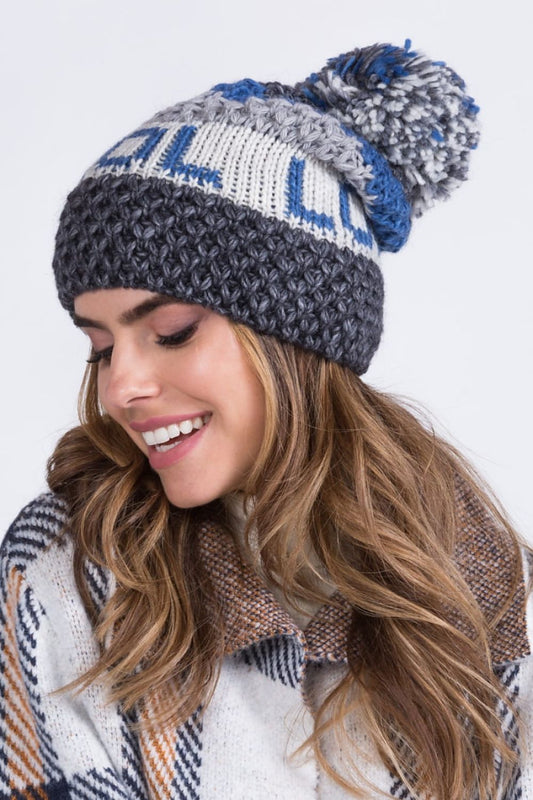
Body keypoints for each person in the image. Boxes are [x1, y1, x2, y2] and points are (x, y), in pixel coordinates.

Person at [1, 40, 531, 800]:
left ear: (298, 337)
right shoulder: (69, 569)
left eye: (172, 331)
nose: (121, 388)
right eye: (100, 347)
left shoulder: (485, 577)